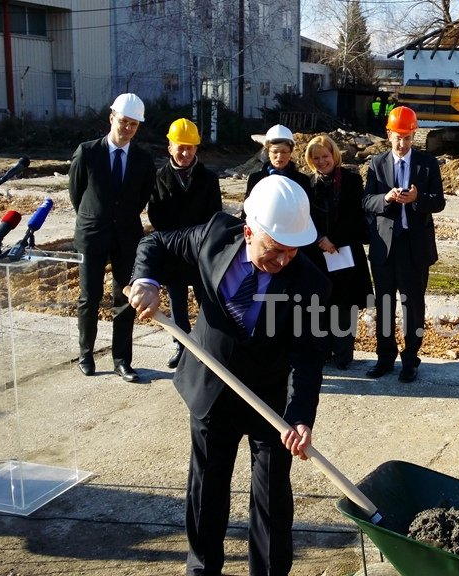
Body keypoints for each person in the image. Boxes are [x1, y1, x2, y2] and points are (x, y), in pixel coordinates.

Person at [127, 175, 330, 576]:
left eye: (292, 252)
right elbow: (156, 243)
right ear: (249, 229)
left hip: (271, 403)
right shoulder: (216, 235)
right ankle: (202, 568)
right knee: (207, 491)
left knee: (272, 500)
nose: (284, 261)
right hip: (211, 388)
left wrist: (301, 416)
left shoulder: (311, 283)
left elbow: (307, 359)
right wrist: (146, 283)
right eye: (275, 251)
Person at [69, 93, 155, 383]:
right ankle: (86, 354)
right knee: (89, 297)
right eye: (123, 122)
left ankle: (122, 360)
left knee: (124, 298)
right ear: (111, 118)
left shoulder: (143, 159)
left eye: (133, 124)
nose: (127, 128)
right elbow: (77, 194)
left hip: (126, 237)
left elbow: (142, 196)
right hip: (93, 235)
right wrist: (95, 217)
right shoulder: (88, 152)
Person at [362, 106, 445, 383]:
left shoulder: (427, 163)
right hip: (385, 248)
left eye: (407, 137)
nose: (402, 143)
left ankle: (410, 359)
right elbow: (366, 202)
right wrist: (386, 199)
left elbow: (439, 201)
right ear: (389, 134)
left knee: (413, 306)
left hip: (414, 248)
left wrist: (418, 200)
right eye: (398, 137)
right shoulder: (376, 164)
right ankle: (385, 357)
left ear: (414, 135)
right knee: (385, 305)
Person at [148, 118, 223, 369]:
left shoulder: (209, 178)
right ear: (170, 146)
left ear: (196, 149)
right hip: (173, 253)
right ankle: (182, 346)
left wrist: (199, 239)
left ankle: (207, 346)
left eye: (190, 147)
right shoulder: (159, 177)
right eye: (180, 147)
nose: (185, 152)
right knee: (177, 303)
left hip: (201, 251)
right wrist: (176, 240)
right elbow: (156, 215)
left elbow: (215, 214)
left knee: (206, 301)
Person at [302, 134, 374, 369]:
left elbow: (356, 215)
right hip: (317, 253)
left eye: (325, 156)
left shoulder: (351, 180)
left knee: (344, 306)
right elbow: (306, 217)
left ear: (334, 155)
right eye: (316, 158)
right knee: (320, 304)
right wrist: (320, 239)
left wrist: (334, 240)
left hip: (346, 251)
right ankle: (322, 352)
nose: (322, 161)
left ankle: (343, 355)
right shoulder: (308, 184)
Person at [245, 124, 311, 206]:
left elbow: (307, 211)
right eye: (275, 152)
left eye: (284, 152)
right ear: (268, 152)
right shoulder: (255, 179)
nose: (279, 156)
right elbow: (247, 211)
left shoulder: (302, 181)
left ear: (290, 153)